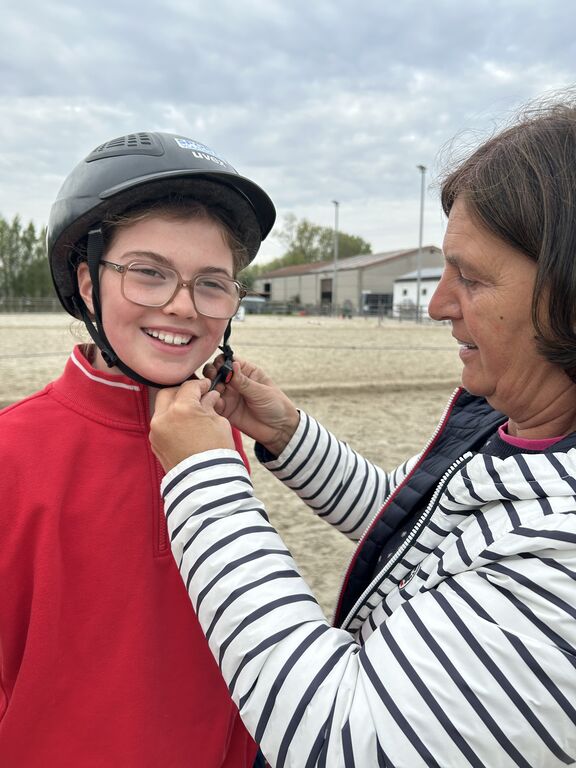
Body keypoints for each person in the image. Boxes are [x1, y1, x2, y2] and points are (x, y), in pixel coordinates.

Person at [149, 97, 576, 767]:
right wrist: (289, 434)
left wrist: (204, 481)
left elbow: (345, 741)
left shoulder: (562, 561)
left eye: (470, 278)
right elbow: (411, 522)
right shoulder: (513, 424)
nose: (436, 304)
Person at [0, 131, 275, 767]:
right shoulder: (12, 450)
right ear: (88, 283)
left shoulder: (216, 433)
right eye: (149, 273)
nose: (182, 306)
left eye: (213, 283)